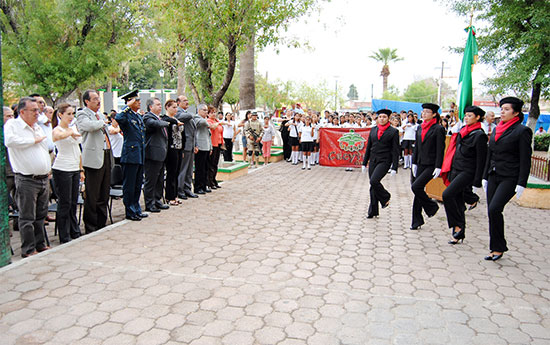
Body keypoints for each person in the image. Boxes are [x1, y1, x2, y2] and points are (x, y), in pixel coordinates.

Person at [482, 97, 532, 261]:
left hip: (510, 177)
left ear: (516, 113)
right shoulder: (497, 129)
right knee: (491, 211)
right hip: (494, 174)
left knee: (495, 208)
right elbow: (490, 154)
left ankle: (499, 246)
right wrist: (484, 176)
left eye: (506, 109)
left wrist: (521, 182)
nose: (502, 112)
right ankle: (496, 247)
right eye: (501, 109)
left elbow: (526, 158)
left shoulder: (522, 131)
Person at [5, 97, 51, 257]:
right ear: (22, 111)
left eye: (38, 110)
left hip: (43, 178)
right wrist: (32, 140)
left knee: (40, 215)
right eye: (34, 110)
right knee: (27, 217)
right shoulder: (13, 125)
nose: (37, 113)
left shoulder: (36, 127)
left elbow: (43, 146)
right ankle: (28, 249)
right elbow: (9, 141)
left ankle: (40, 244)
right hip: (26, 179)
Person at [441, 106, 487, 245]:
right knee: (457, 200)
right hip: (456, 168)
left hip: (468, 171)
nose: (466, 118)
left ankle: (457, 225)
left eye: (469, 116)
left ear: (478, 117)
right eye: (465, 115)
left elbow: (481, 159)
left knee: (447, 195)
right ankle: (458, 233)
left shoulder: (479, 135)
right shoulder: (462, 131)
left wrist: (477, 181)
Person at [76, 90, 113, 233]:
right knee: (92, 194)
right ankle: (91, 226)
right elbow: (88, 126)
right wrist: (102, 121)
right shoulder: (82, 114)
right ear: (87, 101)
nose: (98, 102)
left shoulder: (99, 116)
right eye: (95, 99)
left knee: (104, 192)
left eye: (99, 99)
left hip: (106, 155)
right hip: (93, 159)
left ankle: (101, 223)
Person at [51, 103, 84, 243]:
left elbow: (78, 150)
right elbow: (57, 137)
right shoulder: (57, 130)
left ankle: (74, 230)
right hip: (62, 168)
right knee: (64, 202)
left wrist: (81, 169)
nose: (71, 117)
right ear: (60, 115)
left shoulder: (73, 128)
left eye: (72, 114)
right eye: (68, 114)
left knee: (72, 202)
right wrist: (70, 132)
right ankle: (63, 234)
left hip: (74, 167)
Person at [410, 103, 445, 230]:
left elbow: (440, 149)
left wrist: (438, 166)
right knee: (417, 191)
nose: (423, 114)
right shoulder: (419, 127)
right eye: (423, 111)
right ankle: (416, 220)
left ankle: (431, 206)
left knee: (416, 187)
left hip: (431, 164)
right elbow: (417, 146)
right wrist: (414, 162)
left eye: (427, 112)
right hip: (420, 162)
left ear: (434, 114)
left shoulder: (438, 129)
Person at [361, 109, 399, 219]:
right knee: (372, 185)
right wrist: (364, 163)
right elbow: (368, 147)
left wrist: (394, 167)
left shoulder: (393, 132)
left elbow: (395, 150)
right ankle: (373, 211)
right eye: (380, 117)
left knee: (374, 181)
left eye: (384, 117)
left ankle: (386, 197)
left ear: (388, 119)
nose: (381, 119)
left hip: (385, 161)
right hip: (373, 160)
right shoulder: (373, 130)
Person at [115, 90, 146, 221]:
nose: (139, 102)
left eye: (138, 100)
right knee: (130, 185)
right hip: (130, 154)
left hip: (139, 153)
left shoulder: (137, 116)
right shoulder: (126, 115)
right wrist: (127, 106)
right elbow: (118, 118)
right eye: (136, 100)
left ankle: (136, 208)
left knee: (138, 184)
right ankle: (130, 210)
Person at [143, 97, 170, 213]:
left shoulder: (159, 118)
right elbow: (154, 124)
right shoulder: (148, 117)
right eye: (158, 105)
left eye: (160, 104)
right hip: (152, 154)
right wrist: (168, 122)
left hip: (161, 153)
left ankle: (157, 200)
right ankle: (149, 203)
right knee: (151, 180)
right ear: (150, 107)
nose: (160, 106)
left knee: (159, 179)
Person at [162, 100, 185, 206]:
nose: (175, 109)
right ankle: (169, 196)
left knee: (176, 172)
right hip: (171, 148)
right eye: (173, 107)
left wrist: (182, 149)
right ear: (167, 107)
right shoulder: (166, 119)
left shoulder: (176, 119)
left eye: (176, 107)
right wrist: (175, 122)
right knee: (171, 173)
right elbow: (167, 121)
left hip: (179, 148)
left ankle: (175, 195)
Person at [175, 95, 198, 200]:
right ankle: (180, 190)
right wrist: (191, 114)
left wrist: (195, 145)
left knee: (189, 170)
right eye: (184, 101)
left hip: (191, 145)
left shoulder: (187, 114)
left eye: (187, 100)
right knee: (183, 169)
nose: (187, 102)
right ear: (178, 102)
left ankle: (188, 188)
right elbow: (182, 118)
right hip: (184, 145)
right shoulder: (179, 113)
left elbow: (194, 131)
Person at [194, 104, 212, 194]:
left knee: (205, 168)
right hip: (200, 147)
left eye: (206, 110)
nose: (206, 112)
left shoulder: (205, 120)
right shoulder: (197, 119)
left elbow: (209, 136)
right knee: (199, 169)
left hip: (207, 147)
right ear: (199, 110)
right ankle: (198, 187)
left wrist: (210, 147)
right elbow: (203, 123)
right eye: (204, 110)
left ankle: (204, 185)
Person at [207, 105, 223, 189]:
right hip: (213, 144)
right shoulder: (209, 121)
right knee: (211, 164)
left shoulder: (216, 121)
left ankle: (214, 179)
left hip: (219, 143)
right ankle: (210, 182)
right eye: (211, 113)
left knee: (216, 163)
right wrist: (219, 123)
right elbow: (213, 128)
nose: (213, 114)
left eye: (214, 112)